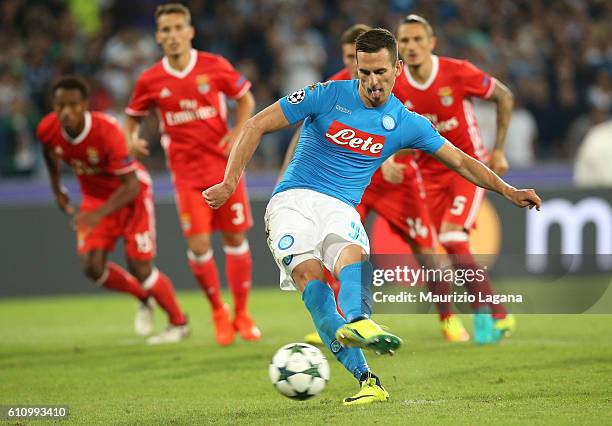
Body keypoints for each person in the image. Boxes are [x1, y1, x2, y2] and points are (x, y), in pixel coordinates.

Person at [204, 29, 541, 405]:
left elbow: (461, 160)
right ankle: (366, 374)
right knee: (314, 290)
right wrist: (230, 181)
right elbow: (256, 124)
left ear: (397, 68)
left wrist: (508, 190)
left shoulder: (406, 122)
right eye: (363, 73)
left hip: (340, 206)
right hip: (292, 201)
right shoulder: (327, 94)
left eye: (380, 72)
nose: (371, 81)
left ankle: (362, 339)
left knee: (351, 252)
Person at [281, 24, 468, 344]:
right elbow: (307, 130)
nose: (356, 68)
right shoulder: (337, 87)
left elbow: (415, 130)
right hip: (354, 185)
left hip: (400, 184)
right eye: (348, 58)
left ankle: (448, 317)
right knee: (335, 245)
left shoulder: (392, 82)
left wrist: (392, 159)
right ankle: (341, 320)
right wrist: (287, 173)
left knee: (426, 250)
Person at [124, 3, 259, 346]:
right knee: (199, 245)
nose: (171, 35)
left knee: (234, 239)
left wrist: (238, 132)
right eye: (165, 30)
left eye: (177, 28)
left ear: (190, 31)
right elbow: (133, 116)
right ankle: (218, 310)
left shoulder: (214, 66)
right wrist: (131, 138)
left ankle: (242, 313)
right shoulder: (151, 79)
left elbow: (246, 99)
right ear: (158, 37)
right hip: (186, 175)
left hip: (225, 169)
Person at [36, 76, 189, 345]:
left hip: (132, 196)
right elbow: (49, 152)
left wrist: (98, 214)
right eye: (60, 105)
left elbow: (130, 184)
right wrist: (57, 187)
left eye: (73, 105)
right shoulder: (48, 129)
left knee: (139, 265)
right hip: (95, 199)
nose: (66, 112)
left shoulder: (107, 131)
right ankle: (143, 299)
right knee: (92, 267)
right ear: (54, 105)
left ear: (85, 105)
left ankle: (179, 322)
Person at [395, 15, 517, 343]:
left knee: (451, 237)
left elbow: (504, 95)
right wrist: (392, 161)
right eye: (405, 41)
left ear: (431, 42)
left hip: (467, 169)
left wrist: (499, 150)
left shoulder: (457, 72)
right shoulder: (396, 84)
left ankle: (484, 316)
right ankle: (497, 313)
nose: (412, 46)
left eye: (418, 39)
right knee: (435, 249)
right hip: (426, 177)